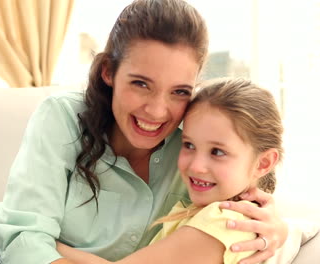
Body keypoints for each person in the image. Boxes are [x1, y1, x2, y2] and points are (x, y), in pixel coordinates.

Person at [0, 1, 287, 264]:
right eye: (141, 84)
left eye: (179, 92)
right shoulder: (63, 117)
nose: (157, 110)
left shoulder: (195, 146)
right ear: (109, 73)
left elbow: (244, 208)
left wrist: (278, 230)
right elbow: (24, 241)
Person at [55, 77, 284, 264]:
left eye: (217, 152)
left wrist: (42, 242)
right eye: (189, 145)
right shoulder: (214, 213)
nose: (196, 166)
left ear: (263, 163)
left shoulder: (225, 222)